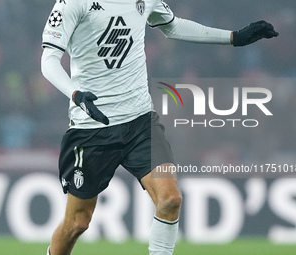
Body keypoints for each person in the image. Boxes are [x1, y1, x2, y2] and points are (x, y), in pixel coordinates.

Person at [41, 0, 278, 254]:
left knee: (170, 199)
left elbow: (172, 26)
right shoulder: (73, 3)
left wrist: (234, 37)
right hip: (92, 126)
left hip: (140, 122)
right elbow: (49, 60)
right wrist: (75, 94)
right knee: (77, 223)